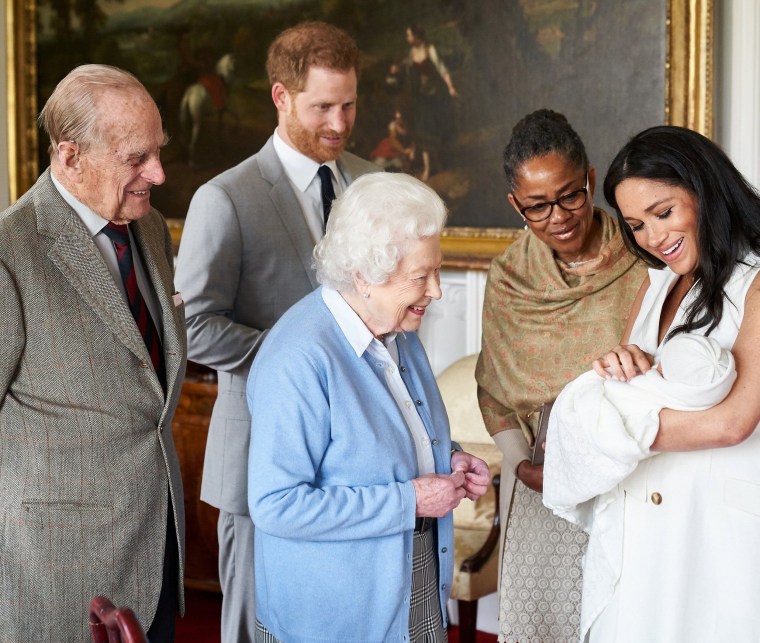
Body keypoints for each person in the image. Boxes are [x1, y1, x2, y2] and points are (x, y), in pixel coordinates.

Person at [174, 21, 379, 642]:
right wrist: (303, 355)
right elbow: (195, 328)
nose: (339, 124)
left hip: (355, 464)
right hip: (259, 456)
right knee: (252, 628)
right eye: (322, 107)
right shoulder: (226, 198)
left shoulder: (371, 184)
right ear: (280, 97)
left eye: (348, 105)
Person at [246, 172, 490, 642]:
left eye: (437, 270)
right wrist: (411, 500)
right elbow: (277, 505)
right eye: (421, 276)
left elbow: (386, 439)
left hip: (412, 581)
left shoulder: (398, 329)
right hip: (334, 615)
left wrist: (448, 457)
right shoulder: (298, 359)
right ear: (363, 276)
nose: (437, 291)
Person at [0, 64, 187, 642]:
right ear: (70, 156)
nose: (157, 173)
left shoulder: (150, 228)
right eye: (137, 158)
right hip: (57, 571)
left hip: (158, 543)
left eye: (158, 151)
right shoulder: (11, 249)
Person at [565, 125, 760, 642]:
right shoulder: (656, 283)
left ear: (705, 190)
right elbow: (632, 385)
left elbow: (735, 421)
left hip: (714, 527)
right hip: (642, 520)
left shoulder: (756, 281)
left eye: (663, 212)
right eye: (636, 225)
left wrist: (605, 426)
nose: (653, 238)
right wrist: (619, 365)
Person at [474, 109, 647, 642]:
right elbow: (494, 388)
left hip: (634, 470)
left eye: (571, 195)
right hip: (543, 479)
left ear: (591, 179)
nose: (560, 217)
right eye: (537, 207)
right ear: (515, 205)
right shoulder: (508, 280)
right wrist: (520, 463)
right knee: (545, 623)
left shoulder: (645, 258)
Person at [543, 333, 736, 518]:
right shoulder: (705, 391)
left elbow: (621, 442)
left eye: (661, 366)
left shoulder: (657, 403)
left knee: (582, 418)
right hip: (604, 398)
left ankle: (557, 469)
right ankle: (556, 452)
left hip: (606, 417)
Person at [389, 24, 458, 182]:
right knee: (423, 132)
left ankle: (438, 164)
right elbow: (406, 67)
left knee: (435, 131)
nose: (407, 38)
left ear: (416, 36)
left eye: (409, 35)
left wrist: (451, 87)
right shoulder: (412, 52)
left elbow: (442, 69)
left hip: (435, 97)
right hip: (420, 99)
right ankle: (428, 168)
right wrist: (396, 69)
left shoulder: (430, 50)